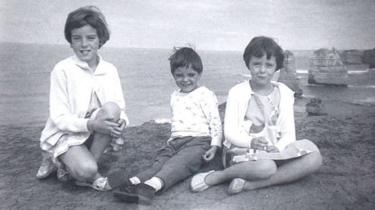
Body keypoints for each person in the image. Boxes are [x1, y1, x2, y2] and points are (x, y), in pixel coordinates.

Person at [190, 36, 322, 194]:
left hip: (276, 152)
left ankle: (250, 185)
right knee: (266, 167)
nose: (262, 70)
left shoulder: (285, 93)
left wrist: (277, 149)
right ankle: (219, 176)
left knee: (315, 157)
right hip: (243, 151)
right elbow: (230, 133)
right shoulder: (238, 92)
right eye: (257, 64)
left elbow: (289, 133)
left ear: (276, 67)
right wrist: (251, 142)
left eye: (269, 65)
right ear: (248, 64)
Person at [110, 47, 222, 205]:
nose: (185, 79)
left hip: (199, 141)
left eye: (191, 75)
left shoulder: (205, 94)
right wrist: (172, 141)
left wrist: (214, 145)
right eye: (179, 75)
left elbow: (215, 121)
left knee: (178, 164)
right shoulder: (174, 96)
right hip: (175, 141)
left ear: (199, 74)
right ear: (173, 75)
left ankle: (150, 187)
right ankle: (132, 182)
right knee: (159, 162)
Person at [35, 5, 129, 191]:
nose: (84, 44)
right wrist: (92, 125)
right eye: (77, 38)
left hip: (94, 133)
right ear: (70, 41)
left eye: (91, 38)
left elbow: (119, 108)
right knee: (87, 170)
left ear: (100, 39)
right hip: (67, 133)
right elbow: (59, 118)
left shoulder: (109, 70)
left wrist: (121, 123)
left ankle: (73, 168)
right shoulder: (62, 70)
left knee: (112, 108)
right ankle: (71, 164)